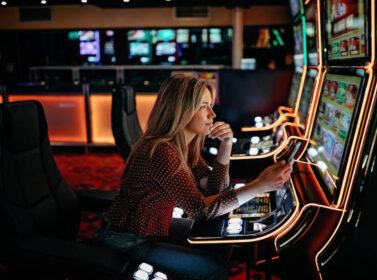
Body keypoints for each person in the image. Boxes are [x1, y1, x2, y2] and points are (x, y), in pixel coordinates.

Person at [96, 75, 293, 280]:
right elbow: (201, 209)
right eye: (203, 107)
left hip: (153, 227)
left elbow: (214, 189)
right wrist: (260, 186)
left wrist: (226, 146)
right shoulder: (162, 151)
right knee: (213, 269)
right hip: (127, 240)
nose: (212, 114)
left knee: (219, 244)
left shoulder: (185, 146)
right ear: (181, 111)